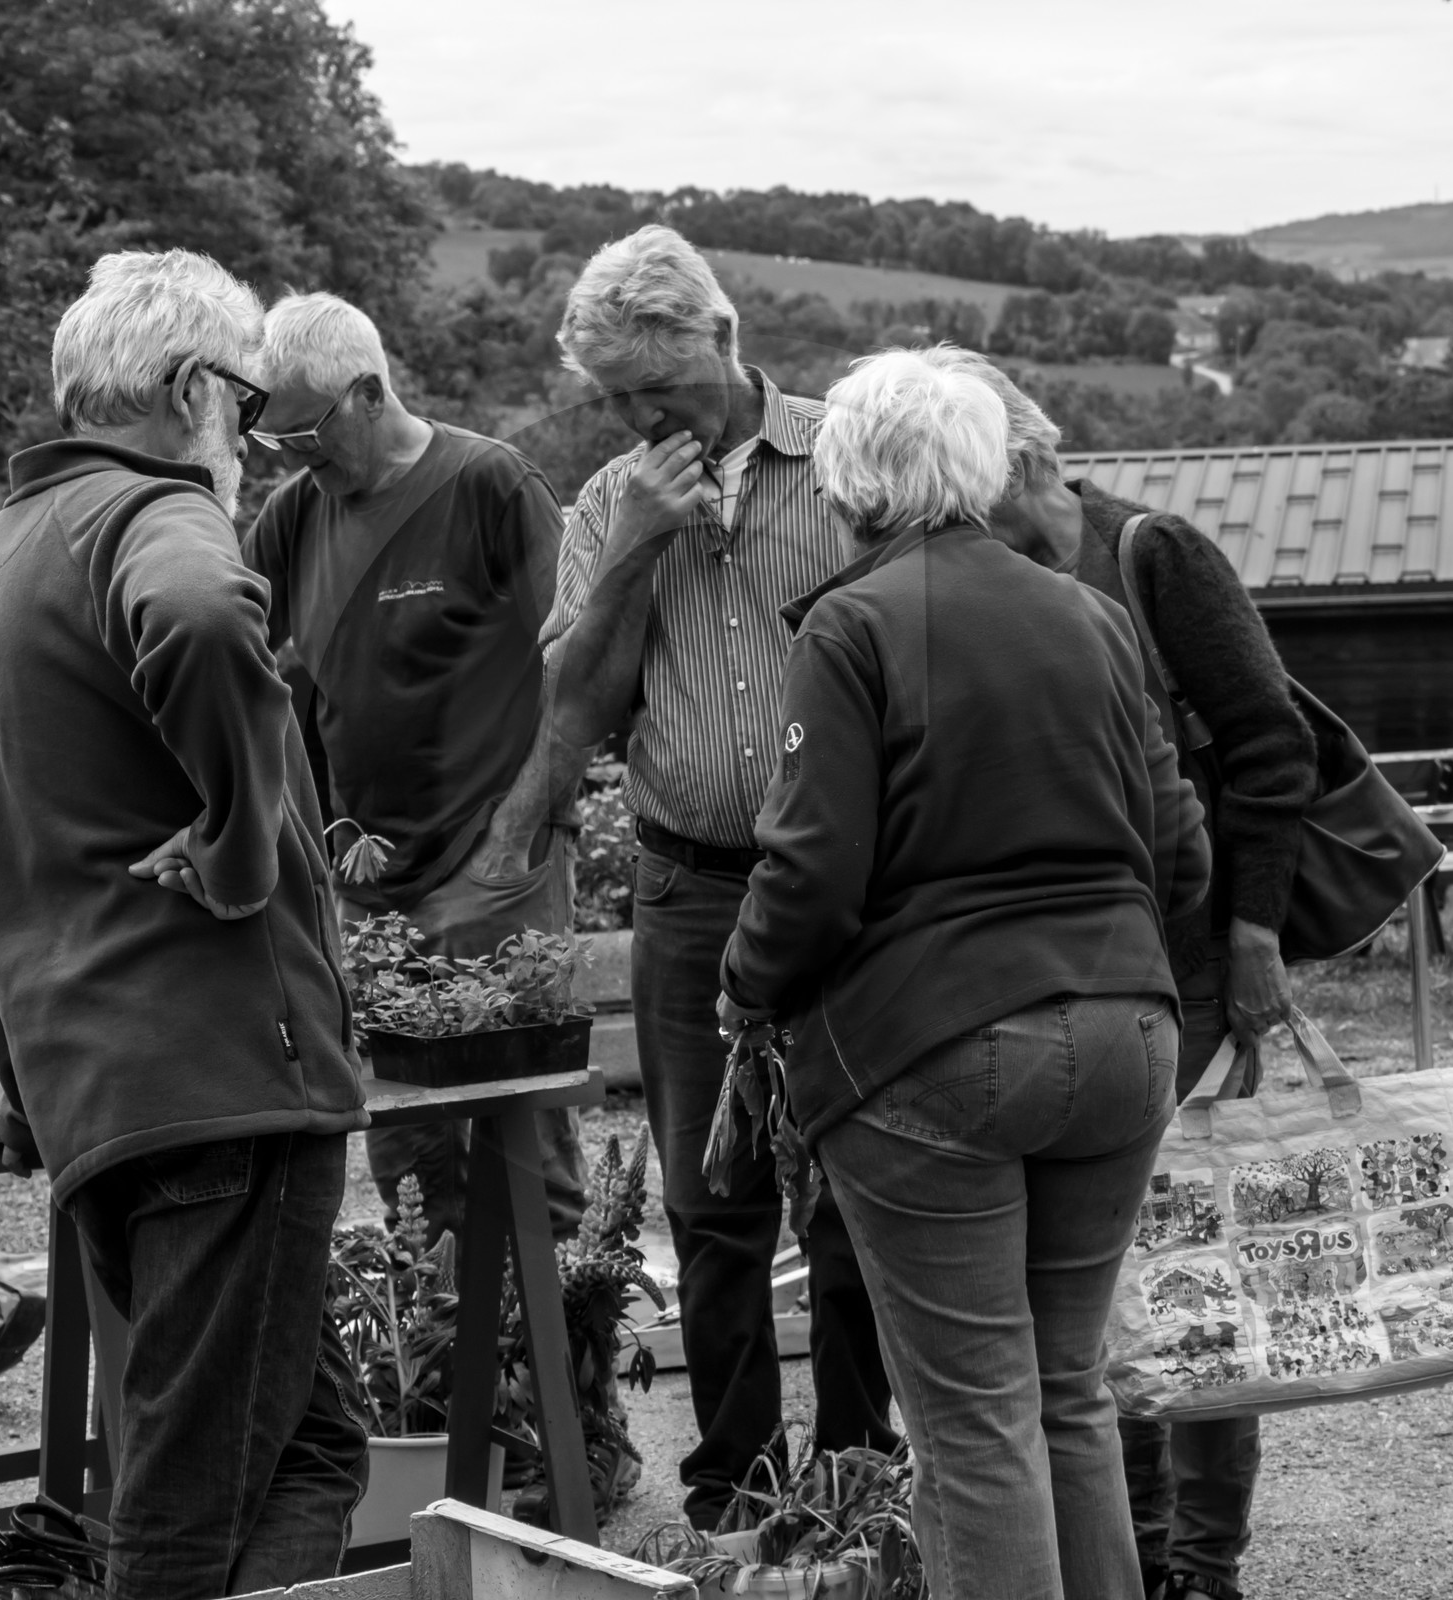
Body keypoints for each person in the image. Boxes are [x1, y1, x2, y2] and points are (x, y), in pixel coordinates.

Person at [717, 345, 1212, 1600]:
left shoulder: (852, 623)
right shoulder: (1090, 612)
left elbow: (811, 872)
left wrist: (742, 986)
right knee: (1068, 1392)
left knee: (973, 1418)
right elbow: (1181, 850)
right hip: (1127, 1031)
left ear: (847, 484)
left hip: (938, 1047)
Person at [0, 250, 370, 1600]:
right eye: (243, 404)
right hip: (226, 1082)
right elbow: (195, 613)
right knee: (185, 1504)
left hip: (100, 1094)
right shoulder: (158, 518)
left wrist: (17, 1084)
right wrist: (247, 845)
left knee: (308, 1447)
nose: (247, 438)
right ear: (193, 388)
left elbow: (4, 861)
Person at [532, 224, 896, 1526]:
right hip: (687, 890)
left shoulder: (852, 468)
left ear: (724, 342)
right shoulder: (603, 504)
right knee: (709, 1195)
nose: (637, 418)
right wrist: (635, 543)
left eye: (655, 388)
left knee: (853, 1185)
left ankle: (860, 1467)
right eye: (614, 400)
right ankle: (735, 1481)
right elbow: (565, 712)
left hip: (847, 889)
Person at [973, 358, 1319, 1600]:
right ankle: (1136, 1546)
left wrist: (1253, 936)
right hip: (1076, 985)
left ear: (1017, 462)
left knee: (1199, 1272)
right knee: (1093, 1295)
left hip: (1192, 972)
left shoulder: (1149, 556)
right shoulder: (989, 574)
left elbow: (1273, 744)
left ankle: (1201, 1565)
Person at [241, 292, 587, 1250]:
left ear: (368, 391)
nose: (295, 454)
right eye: (273, 439)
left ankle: (568, 1382)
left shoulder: (490, 486)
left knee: (522, 1144)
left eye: (306, 430)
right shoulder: (291, 518)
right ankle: (444, 1384)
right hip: (370, 886)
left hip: (497, 867)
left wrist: (519, 834)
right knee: (408, 1148)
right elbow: (248, 684)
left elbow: (579, 671)